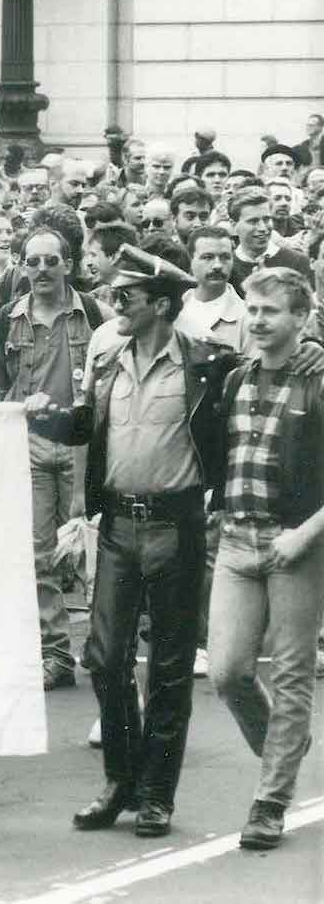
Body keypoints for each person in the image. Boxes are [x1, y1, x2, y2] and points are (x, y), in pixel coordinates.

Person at [34, 250, 236, 839]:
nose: (115, 304)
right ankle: (120, 780)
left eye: (126, 296)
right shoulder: (108, 361)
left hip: (177, 525)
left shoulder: (209, 364)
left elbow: (256, 389)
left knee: (169, 666)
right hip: (119, 525)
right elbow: (85, 428)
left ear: (162, 305)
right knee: (105, 657)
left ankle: (155, 794)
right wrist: (42, 418)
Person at [206, 268, 324, 851]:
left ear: (302, 318)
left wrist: (305, 535)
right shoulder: (236, 377)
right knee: (227, 671)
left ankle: (271, 801)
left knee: (293, 674)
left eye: (270, 311)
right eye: (251, 309)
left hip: (295, 542)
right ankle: (286, 744)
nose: (256, 321)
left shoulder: (318, 380)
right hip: (236, 539)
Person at [0, 228, 113, 691]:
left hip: (85, 448)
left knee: (94, 556)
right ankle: (56, 654)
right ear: (22, 266)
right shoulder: (7, 320)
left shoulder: (95, 315)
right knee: (39, 554)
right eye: (33, 261)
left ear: (68, 265)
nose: (42, 269)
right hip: (32, 448)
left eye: (51, 261)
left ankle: (105, 650)